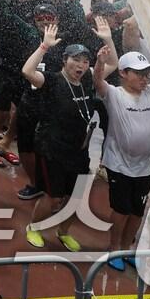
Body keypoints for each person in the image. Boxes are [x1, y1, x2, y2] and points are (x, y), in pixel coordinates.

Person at [19, 25, 95, 252]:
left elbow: (110, 65)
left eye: (85, 61)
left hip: (79, 152)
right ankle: (34, 228)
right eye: (76, 59)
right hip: (52, 149)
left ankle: (63, 232)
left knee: (75, 199)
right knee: (53, 197)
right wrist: (44, 46)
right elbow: (27, 71)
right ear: (64, 60)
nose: (81, 65)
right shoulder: (52, 81)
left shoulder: (86, 83)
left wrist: (109, 41)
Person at [93, 45, 150, 272]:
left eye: (147, 74)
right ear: (123, 73)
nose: (145, 79)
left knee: (138, 210)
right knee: (121, 210)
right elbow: (97, 82)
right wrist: (99, 62)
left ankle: (128, 249)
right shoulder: (115, 94)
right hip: (118, 165)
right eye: (139, 74)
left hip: (145, 167)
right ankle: (114, 248)